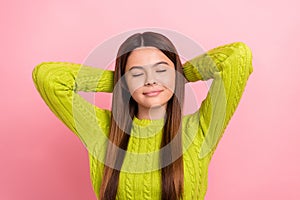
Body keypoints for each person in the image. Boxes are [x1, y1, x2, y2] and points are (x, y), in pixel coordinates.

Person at [32, 31, 253, 200]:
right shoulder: (101, 130)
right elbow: (48, 77)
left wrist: (180, 75)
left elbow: (236, 57)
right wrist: (120, 81)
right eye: (137, 73)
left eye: (161, 70)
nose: (150, 80)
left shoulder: (199, 129)